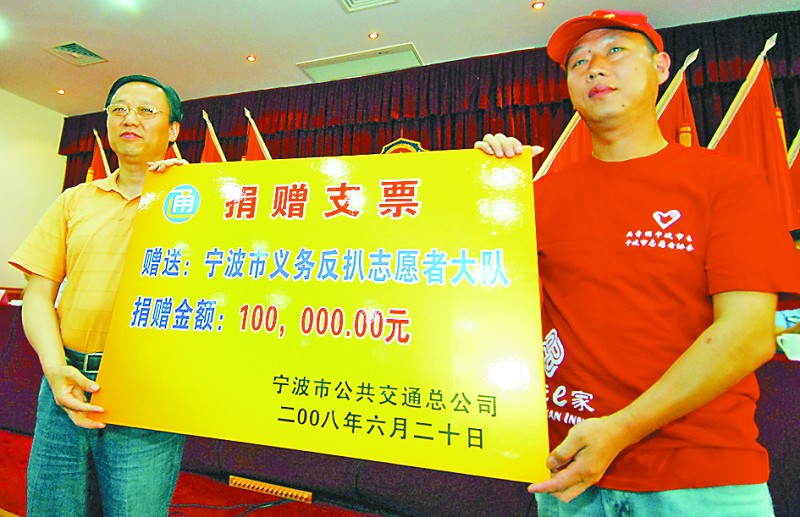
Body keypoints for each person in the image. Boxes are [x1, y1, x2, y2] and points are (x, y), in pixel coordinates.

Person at [476, 10, 800, 516]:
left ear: (661, 66)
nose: (595, 68)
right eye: (578, 62)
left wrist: (620, 430)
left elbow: (750, 333)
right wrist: (487, 189)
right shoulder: (537, 198)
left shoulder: (727, 181)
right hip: (569, 474)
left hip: (700, 479)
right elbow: (480, 303)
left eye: (615, 51)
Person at [9, 74, 186, 515]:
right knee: (52, 508)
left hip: (147, 389)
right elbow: (38, 293)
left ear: (173, 130)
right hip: (65, 381)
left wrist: (191, 193)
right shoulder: (75, 200)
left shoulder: (197, 201)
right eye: (118, 109)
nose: (130, 119)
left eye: (146, 111)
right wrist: (55, 368)